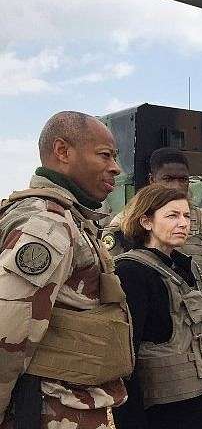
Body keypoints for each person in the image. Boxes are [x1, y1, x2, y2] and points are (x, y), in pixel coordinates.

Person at [0, 111, 131, 428]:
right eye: (105, 155)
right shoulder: (48, 224)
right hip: (45, 409)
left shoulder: (70, 219)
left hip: (63, 405)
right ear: (62, 152)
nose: (116, 167)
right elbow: (8, 331)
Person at [111, 184, 202, 429]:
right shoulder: (131, 272)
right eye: (172, 215)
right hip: (162, 414)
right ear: (146, 222)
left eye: (186, 216)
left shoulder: (186, 266)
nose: (183, 223)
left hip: (200, 404)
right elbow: (123, 362)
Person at [102, 147, 202, 323]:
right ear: (152, 180)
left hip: (199, 320)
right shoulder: (126, 222)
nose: (176, 186)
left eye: (182, 179)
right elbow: (107, 273)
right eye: (168, 179)